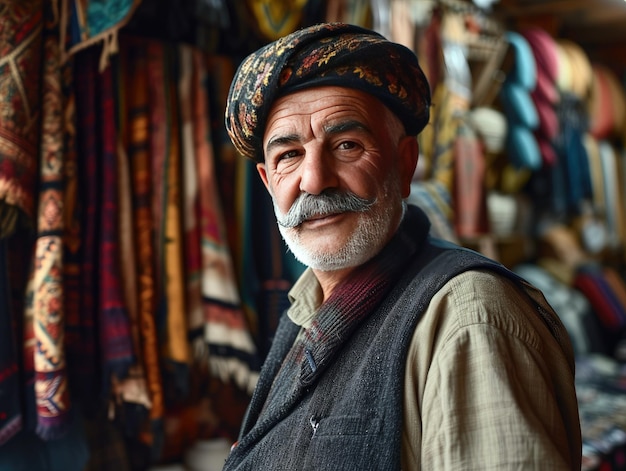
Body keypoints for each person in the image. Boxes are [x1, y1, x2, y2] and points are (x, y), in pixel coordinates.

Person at [222, 22, 582, 470]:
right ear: (267, 181)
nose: (313, 180)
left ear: (405, 163)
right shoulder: (306, 308)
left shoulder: (469, 318)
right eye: (288, 155)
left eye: (347, 144)